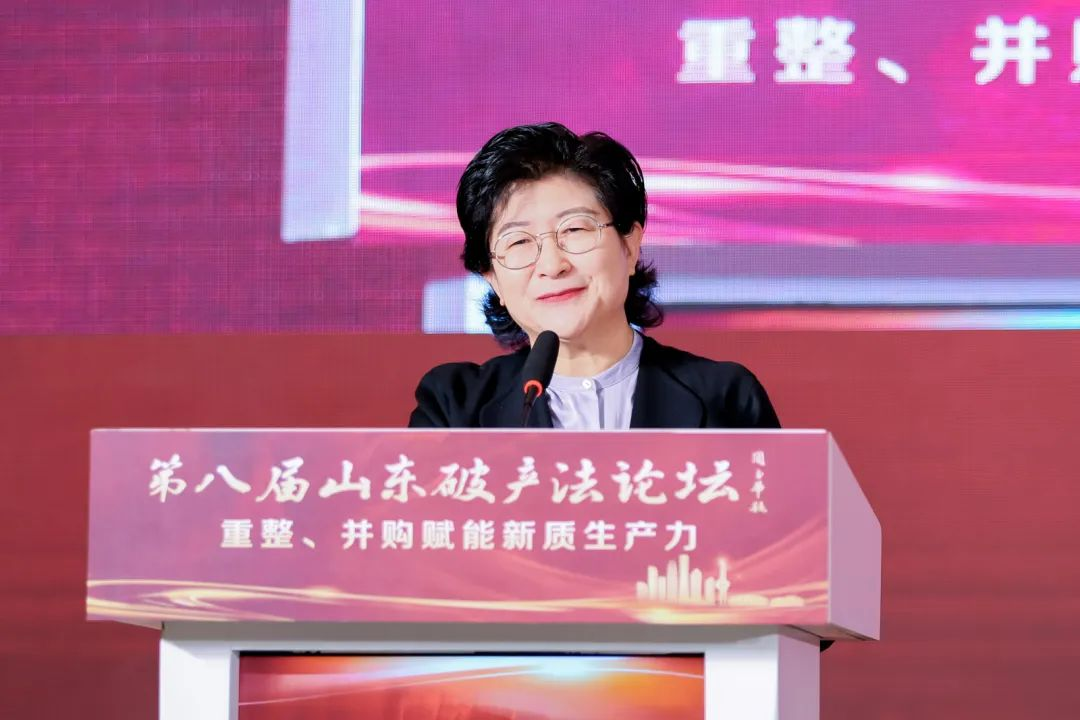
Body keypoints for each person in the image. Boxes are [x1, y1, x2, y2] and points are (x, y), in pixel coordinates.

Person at [408, 122, 780, 431]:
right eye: (518, 241)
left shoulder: (725, 398)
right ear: (493, 279)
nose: (552, 265)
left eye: (575, 230)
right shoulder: (454, 408)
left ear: (629, 245)